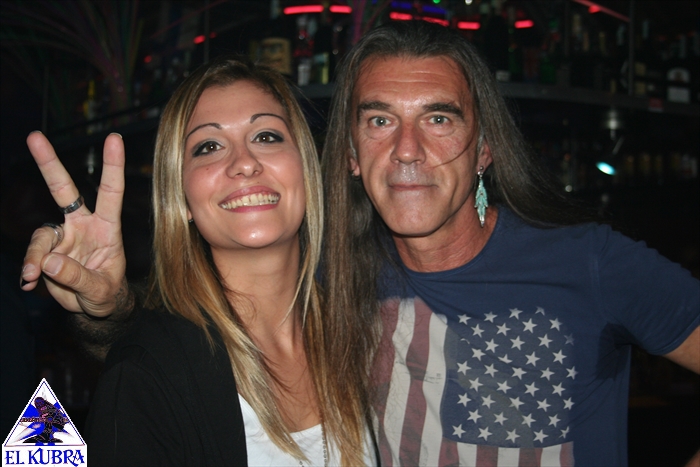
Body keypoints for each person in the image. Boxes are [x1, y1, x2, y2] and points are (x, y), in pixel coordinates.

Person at [21, 22, 699, 467]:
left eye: (438, 118)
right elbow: (156, 363)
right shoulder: (355, 285)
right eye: (379, 120)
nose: (407, 149)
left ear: (485, 148)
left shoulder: (585, 261)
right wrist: (108, 309)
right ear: (347, 155)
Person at [21, 56, 375, 466]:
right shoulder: (148, 375)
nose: (244, 163)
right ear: (182, 199)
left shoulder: (370, 334)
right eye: (209, 147)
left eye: (266, 136)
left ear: (306, 169)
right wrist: (107, 313)